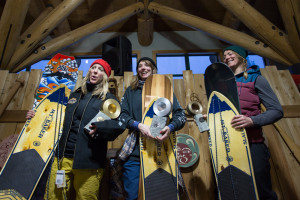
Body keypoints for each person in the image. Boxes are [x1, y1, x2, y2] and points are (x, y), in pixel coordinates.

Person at [26, 59, 125, 200]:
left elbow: (118, 125)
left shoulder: (108, 100)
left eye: (100, 69)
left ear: (105, 76)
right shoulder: (74, 95)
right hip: (62, 156)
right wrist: (36, 116)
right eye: (93, 67)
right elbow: (56, 116)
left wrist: (100, 128)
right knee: (54, 197)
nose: (95, 70)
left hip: (89, 160)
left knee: (86, 197)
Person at [116, 57, 186, 200]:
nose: (143, 67)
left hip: (162, 151)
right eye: (140, 66)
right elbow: (122, 115)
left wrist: (171, 127)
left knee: (161, 196)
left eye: (147, 65)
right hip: (135, 153)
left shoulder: (166, 90)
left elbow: (180, 115)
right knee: (133, 196)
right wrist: (138, 125)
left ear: (153, 69)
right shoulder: (131, 91)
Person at [223, 45, 283, 200]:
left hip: (253, 145)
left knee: (262, 191)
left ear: (241, 56)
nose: (226, 57)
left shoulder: (256, 78)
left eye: (230, 53)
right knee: (233, 193)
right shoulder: (224, 83)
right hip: (228, 147)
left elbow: (276, 111)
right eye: (224, 55)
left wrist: (251, 120)